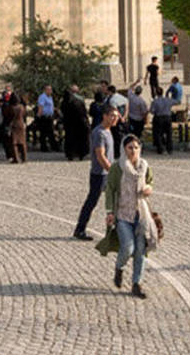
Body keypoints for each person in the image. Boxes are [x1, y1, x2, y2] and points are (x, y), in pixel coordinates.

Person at [99, 134, 157, 299]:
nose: (133, 151)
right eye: (130, 147)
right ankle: (119, 267)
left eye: (136, 148)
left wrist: (148, 188)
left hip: (141, 214)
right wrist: (110, 212)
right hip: (123, 215)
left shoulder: (144, 166)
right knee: (128, 247)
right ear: (124, 149)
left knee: (140, 251)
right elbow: (110, 189)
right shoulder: (117, 168)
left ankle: (136, 284)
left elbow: (150, 182)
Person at [72, 104, 116, 240]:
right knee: (92, 202)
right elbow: (100, 155)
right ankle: (80, 229)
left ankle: (116, 230)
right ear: (105, 116)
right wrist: (112, 171)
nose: (115, 119)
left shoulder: (108, 131)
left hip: (106, 173)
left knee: (115, 201)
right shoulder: (99, 133)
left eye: (116, 116)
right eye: (112, 116)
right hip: (100, 174)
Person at [62, 86, 90, 161]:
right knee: (79, 139)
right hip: (78, 124)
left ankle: (70, 154)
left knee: (69, 140)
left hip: (68, 124)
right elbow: (83, 113)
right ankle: (80, 154)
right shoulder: (77, 102)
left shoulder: (64, 103)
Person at [150, 86, 175, 155]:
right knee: (169, 134)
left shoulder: (155, 101)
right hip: (167, 117)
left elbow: (152, 111)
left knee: (158, 134)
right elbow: (176, 102)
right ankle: (169, 149)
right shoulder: (168, 100)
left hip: (159, 118)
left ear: (156, 93)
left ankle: (160, 149)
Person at [34, 84, 55, 152]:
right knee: (43, 133)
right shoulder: (42, 97)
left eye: (51, 89)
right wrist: (38, 116)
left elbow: (51, 106)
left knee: (51, 132)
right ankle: (44, 147)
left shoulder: (50, 97)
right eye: (49, 89)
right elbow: (41, 107)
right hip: (44, 117)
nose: (50, 91)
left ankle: (53, 146)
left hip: (50, 117)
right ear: (45, 90)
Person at [9, 94, 28, 164]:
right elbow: (25, 114)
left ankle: (16, 158)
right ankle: (24, 158)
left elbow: (9, 116)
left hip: (14, 124)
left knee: (14, 143)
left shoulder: (11, 107)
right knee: (22, 142)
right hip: (21, 124)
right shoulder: (22, 107)